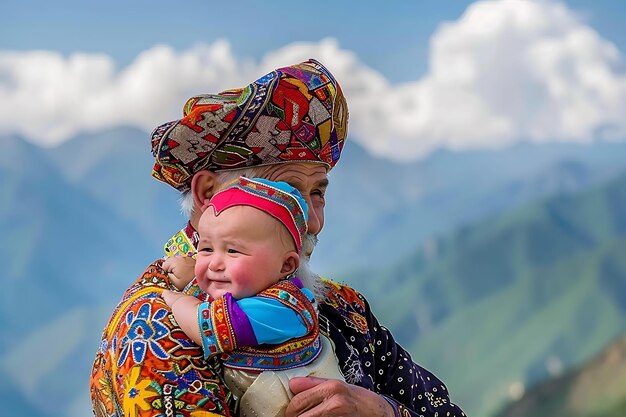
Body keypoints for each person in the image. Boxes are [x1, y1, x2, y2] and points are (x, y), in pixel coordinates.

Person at [90, 58, 466, 417]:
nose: (313, 221)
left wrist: (380, 411)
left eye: (317, 192)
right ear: (208, 194)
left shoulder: (343, 309)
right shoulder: (154, 329)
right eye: (287, 190)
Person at [161, 176, 344, 417]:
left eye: (233, 251)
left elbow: (206, 325)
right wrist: (195, 278)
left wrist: (177, 300)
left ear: (286, 265)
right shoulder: (259, 292)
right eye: (206, 249)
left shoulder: (280, 308)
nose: (214, 263)